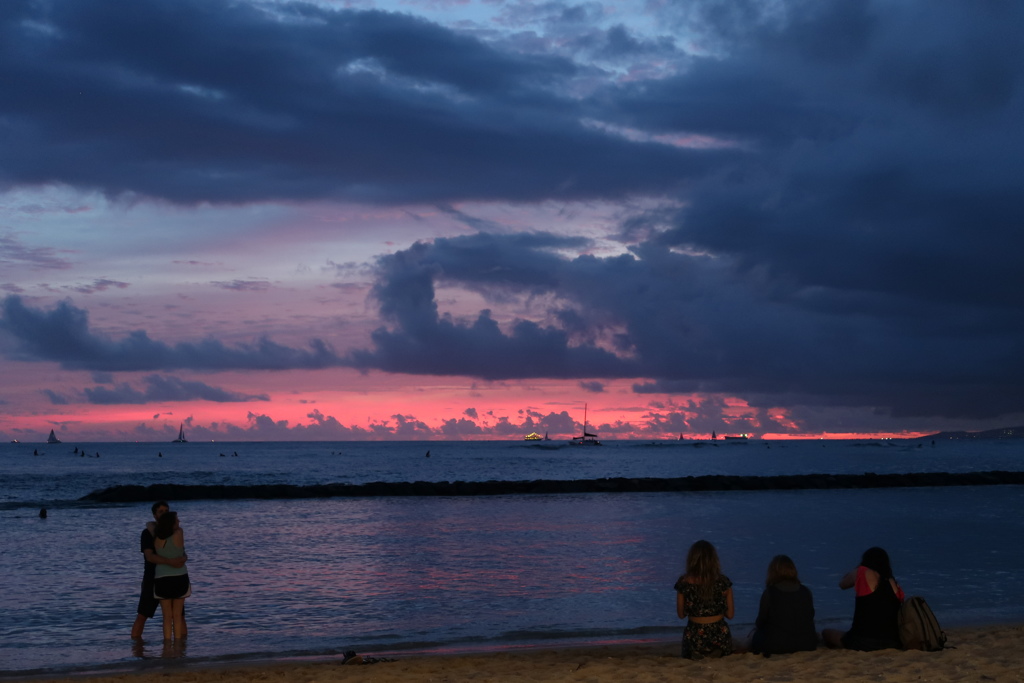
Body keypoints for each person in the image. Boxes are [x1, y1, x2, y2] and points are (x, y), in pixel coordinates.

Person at [822, 547, 904, 651]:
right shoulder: (893, 583)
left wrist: (859, 567)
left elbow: (842, 584)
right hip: (893, 642)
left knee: (826, 633)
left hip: (863, 641)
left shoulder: (862, 572)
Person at [131, 501, 186, 639]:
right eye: (161, 511)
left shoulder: (174, 531)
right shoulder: (147, 533)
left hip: (173, 577)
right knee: (143, 615)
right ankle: (137, 651)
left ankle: (183, 650)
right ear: (155, 515)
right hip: (152, 578)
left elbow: (181, 552)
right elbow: (150, 556)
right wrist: (171, 562)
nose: (164, 513)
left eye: (166, 510)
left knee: (179, 616)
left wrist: (182, 558)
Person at [674, 540, 735, 659]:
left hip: (694, 636)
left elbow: (681, 615)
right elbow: (730, 614)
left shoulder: (684, 583)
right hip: (719, 635)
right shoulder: (723, 582)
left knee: (692, 638)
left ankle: (697, 651)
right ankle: (716, 649)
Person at [748, 555, 818, 655]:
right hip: (807, 643)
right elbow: (810, 616)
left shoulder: (770, 593)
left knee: (755, 635)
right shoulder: (806, 591)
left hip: (777, 645)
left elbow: (761, 621)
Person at [153, 510, 190, 642]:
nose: (179, 521)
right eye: (177, 519)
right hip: (179, 576)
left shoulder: (157, 538)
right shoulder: (178, 534)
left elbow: (150, 525)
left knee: (166, 616)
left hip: (161, 578)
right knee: (177, 615)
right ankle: (179, 644)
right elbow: (178, 529)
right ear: (171, 523)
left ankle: (167, 645)